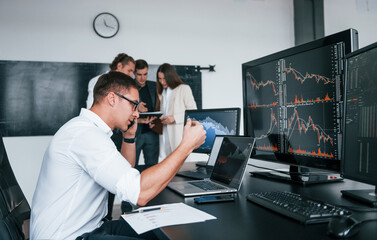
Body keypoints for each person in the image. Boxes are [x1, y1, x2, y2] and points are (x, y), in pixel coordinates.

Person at [30, 71, 206, 240]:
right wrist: (186, 146)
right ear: (112, 98)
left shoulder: (88, 129)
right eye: (133, 104)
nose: (137, 113)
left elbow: (124, 172)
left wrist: (129, 138)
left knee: (163, 231)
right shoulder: (86, 135)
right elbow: (140, 193)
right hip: (71, 236)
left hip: (93, 227)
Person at [156, 63, 197, 161]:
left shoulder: (184, 89)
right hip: (164, 135)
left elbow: (193, 112)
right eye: (159, 79)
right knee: (165, 165)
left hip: (177, 135)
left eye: (164, 78)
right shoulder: (162, 92)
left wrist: (174, 118)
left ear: (171, 77)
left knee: (182, 165)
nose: (162, 81)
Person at [133, 59, 159, 169]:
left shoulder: (154, 86)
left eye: (145, 74)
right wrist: (137, 107)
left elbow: (161, 106)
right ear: (134, 73)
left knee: (152, 168)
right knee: (130, 167)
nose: (143, 78)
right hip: (134, 133)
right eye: (139, 75)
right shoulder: (128, 87)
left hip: (152, 132)